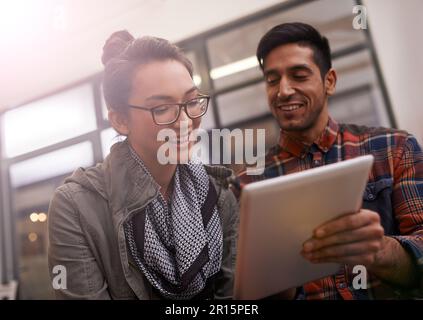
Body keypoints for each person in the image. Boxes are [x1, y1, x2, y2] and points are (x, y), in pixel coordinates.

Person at [233, 22, 423, 299]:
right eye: (272, 80)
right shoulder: (246, 184)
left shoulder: (395, 149)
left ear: (329, 81)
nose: (283, 91)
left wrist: (379, 250)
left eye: (299, 75)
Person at [48, 30, 238, 300]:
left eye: (191, 101)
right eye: (161, 108)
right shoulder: (76, 206)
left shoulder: (219, 194)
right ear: (120, 120)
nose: (185, 121)